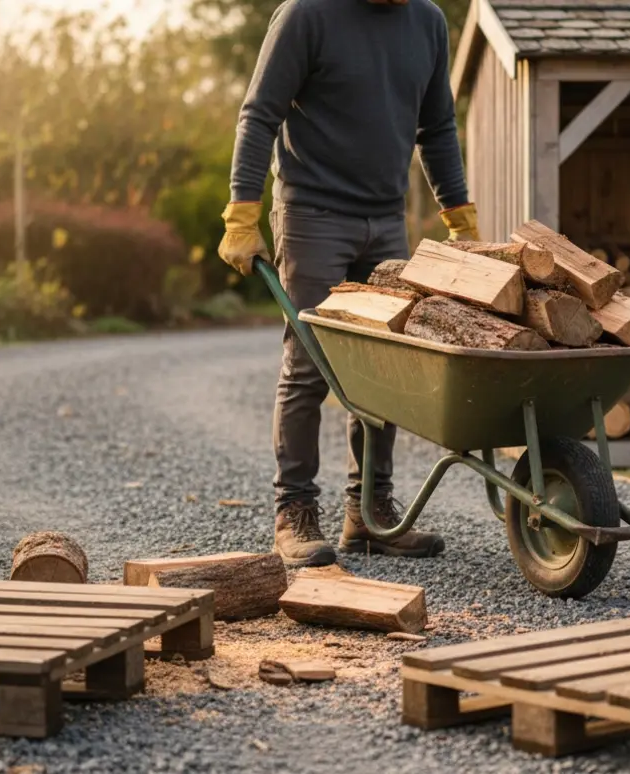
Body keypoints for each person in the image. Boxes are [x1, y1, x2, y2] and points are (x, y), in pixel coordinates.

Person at [217, 0, 478, 567]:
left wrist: (459, 217)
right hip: (312, 212)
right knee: (310, 361)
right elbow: (259, 114)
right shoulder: (306, 15)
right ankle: (294, 512)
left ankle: (369, 511)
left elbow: (436, 127)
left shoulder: (427, 22)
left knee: (385, 364)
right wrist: (242, 213)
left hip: (385, 218)